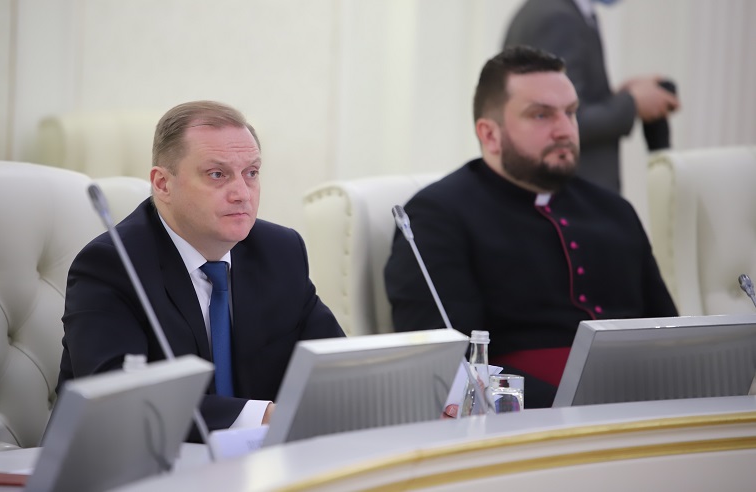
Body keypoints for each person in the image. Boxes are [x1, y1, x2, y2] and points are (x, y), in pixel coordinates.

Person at [384, 46, 677, 408]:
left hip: (649, 410)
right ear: (490, 134)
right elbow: (446, 369)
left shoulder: (614, 211)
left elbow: (670, 335)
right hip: (530, 424)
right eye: (541, 115)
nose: (565, 130)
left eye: (571, 112)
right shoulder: (437, 217)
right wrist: (575, 406)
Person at [57, 101, 345, 440]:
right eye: (217, 174)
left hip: (259, 462)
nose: (242, 194)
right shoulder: (112, 265)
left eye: (251, 173)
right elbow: (118, 401)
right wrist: (266, 416)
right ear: (163, 184)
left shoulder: (279, 251)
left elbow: (336, 367)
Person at [503, 0, 680, 193]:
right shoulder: (559, 19)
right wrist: (633, 103)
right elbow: (560, 120)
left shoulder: (564, 12)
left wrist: (622, 95)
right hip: (571, 198)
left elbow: (565, 103)